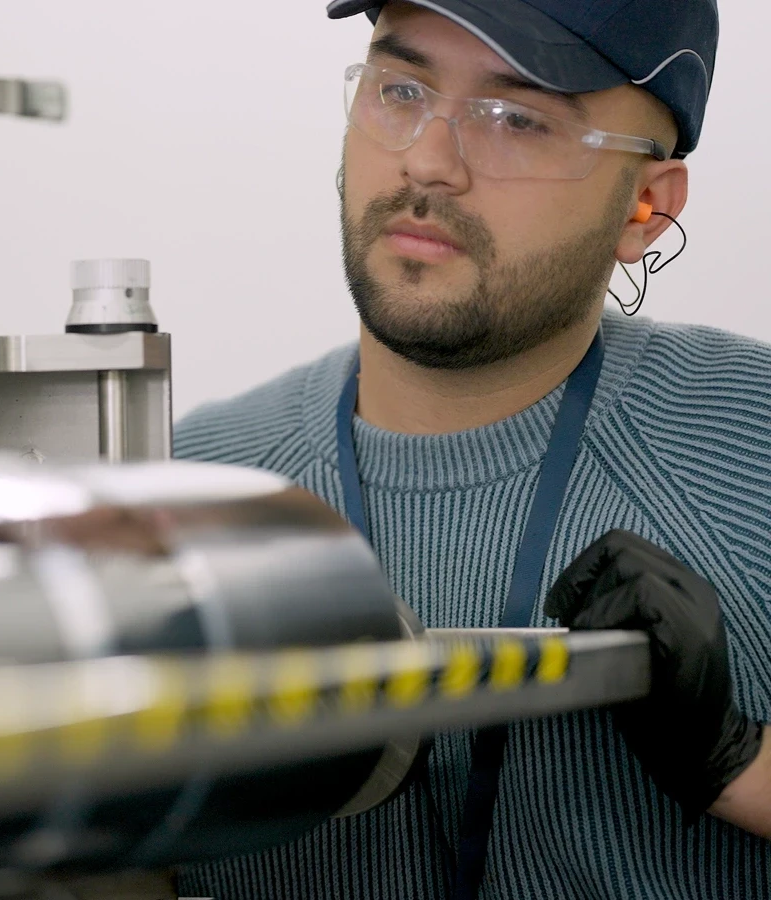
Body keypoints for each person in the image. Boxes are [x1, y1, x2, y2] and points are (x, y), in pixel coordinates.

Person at [171, 1, 771, 897]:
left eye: (517, 118)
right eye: (400, 89)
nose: (428, 161)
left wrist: (736, 764)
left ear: (645, 210)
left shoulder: (753, 448)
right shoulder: (185, 488)